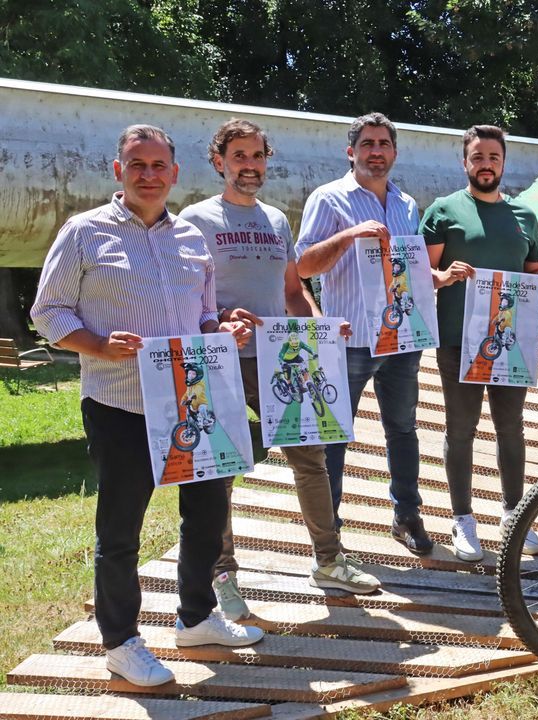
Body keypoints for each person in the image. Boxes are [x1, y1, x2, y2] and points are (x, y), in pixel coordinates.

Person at [31, 124, 263, 688]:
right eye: (138, 165)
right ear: (119, 171)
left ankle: (196, 617)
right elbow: (48, 311)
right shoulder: (84, 233)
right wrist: (97, 344)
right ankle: (121, 641)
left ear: (175, 174)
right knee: (121, 528)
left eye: (159, 166)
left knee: (207, 515)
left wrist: (223, 328)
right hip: (119, 401)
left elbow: (203, 317)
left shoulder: (190, 239)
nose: (149, 175)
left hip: (192, 398)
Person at [179, 119, 380, 621]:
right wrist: (222, 320)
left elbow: (293, 291)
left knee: (310, 458)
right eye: (239, 156)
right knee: (222, 471)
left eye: (257, 156)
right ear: (219, 161)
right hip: (224, 361)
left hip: (281, 361)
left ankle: (329, 561)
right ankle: (222, 573)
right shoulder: (197, 219)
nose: (250, 165)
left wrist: (318, 334)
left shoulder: (275, 220)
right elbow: (185, 296)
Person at [295, 113, 434, 556]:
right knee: (335, 434)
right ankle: (330, 528)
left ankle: (407, 515)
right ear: (351, 151)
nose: (377, 151)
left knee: (403, 428)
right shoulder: (329, 199)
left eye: (384, 144)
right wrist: (351, 234)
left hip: (400, 336)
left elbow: (406, 267)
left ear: (394, 151)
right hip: (349, 336)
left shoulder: (407, 204)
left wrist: (437, 278)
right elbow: (303, 267)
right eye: (368, 144)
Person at [422, 124, 538, 562]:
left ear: (503, 163)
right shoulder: (443, 211)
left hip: (509, 341)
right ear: (465, 162)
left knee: (510, 427)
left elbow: (534, 274)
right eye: (477, 157)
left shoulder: (524, 217)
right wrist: (442, 278)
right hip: (457, 339)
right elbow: (421, 277)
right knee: (460, 429)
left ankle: (515, 515)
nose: (485, 165)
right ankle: (463, 519)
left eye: (493, 158)